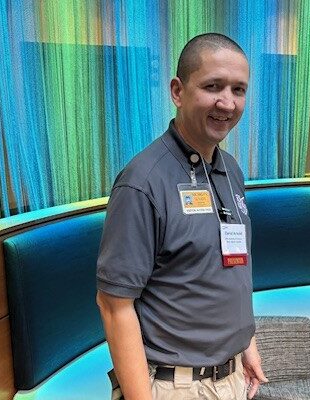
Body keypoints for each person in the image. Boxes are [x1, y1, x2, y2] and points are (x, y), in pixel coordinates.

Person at [96, 33, 268, 400]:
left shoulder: (229, 169)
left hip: (233, 375)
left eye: (238, 90)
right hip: (175, 386)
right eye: (213, 86)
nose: (227, 103)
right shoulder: (142, 182)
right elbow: (114, 306)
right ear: (177, 91)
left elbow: (225, 268)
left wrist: (245, 345)